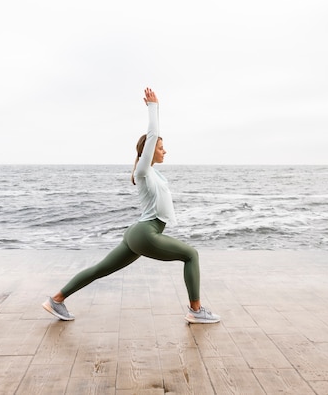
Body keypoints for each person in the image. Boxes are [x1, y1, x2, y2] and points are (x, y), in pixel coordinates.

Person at [42, 87, 220, 324]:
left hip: (138, 234)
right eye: (159, 147)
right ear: (148, 151)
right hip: (146, 233)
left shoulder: (153, 174)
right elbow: (153, 133)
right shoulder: (143, 170)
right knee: (191, 255)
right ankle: (196, 310)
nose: (164, 150)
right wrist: (154, 107)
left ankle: (56, 299)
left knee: (99, 269)